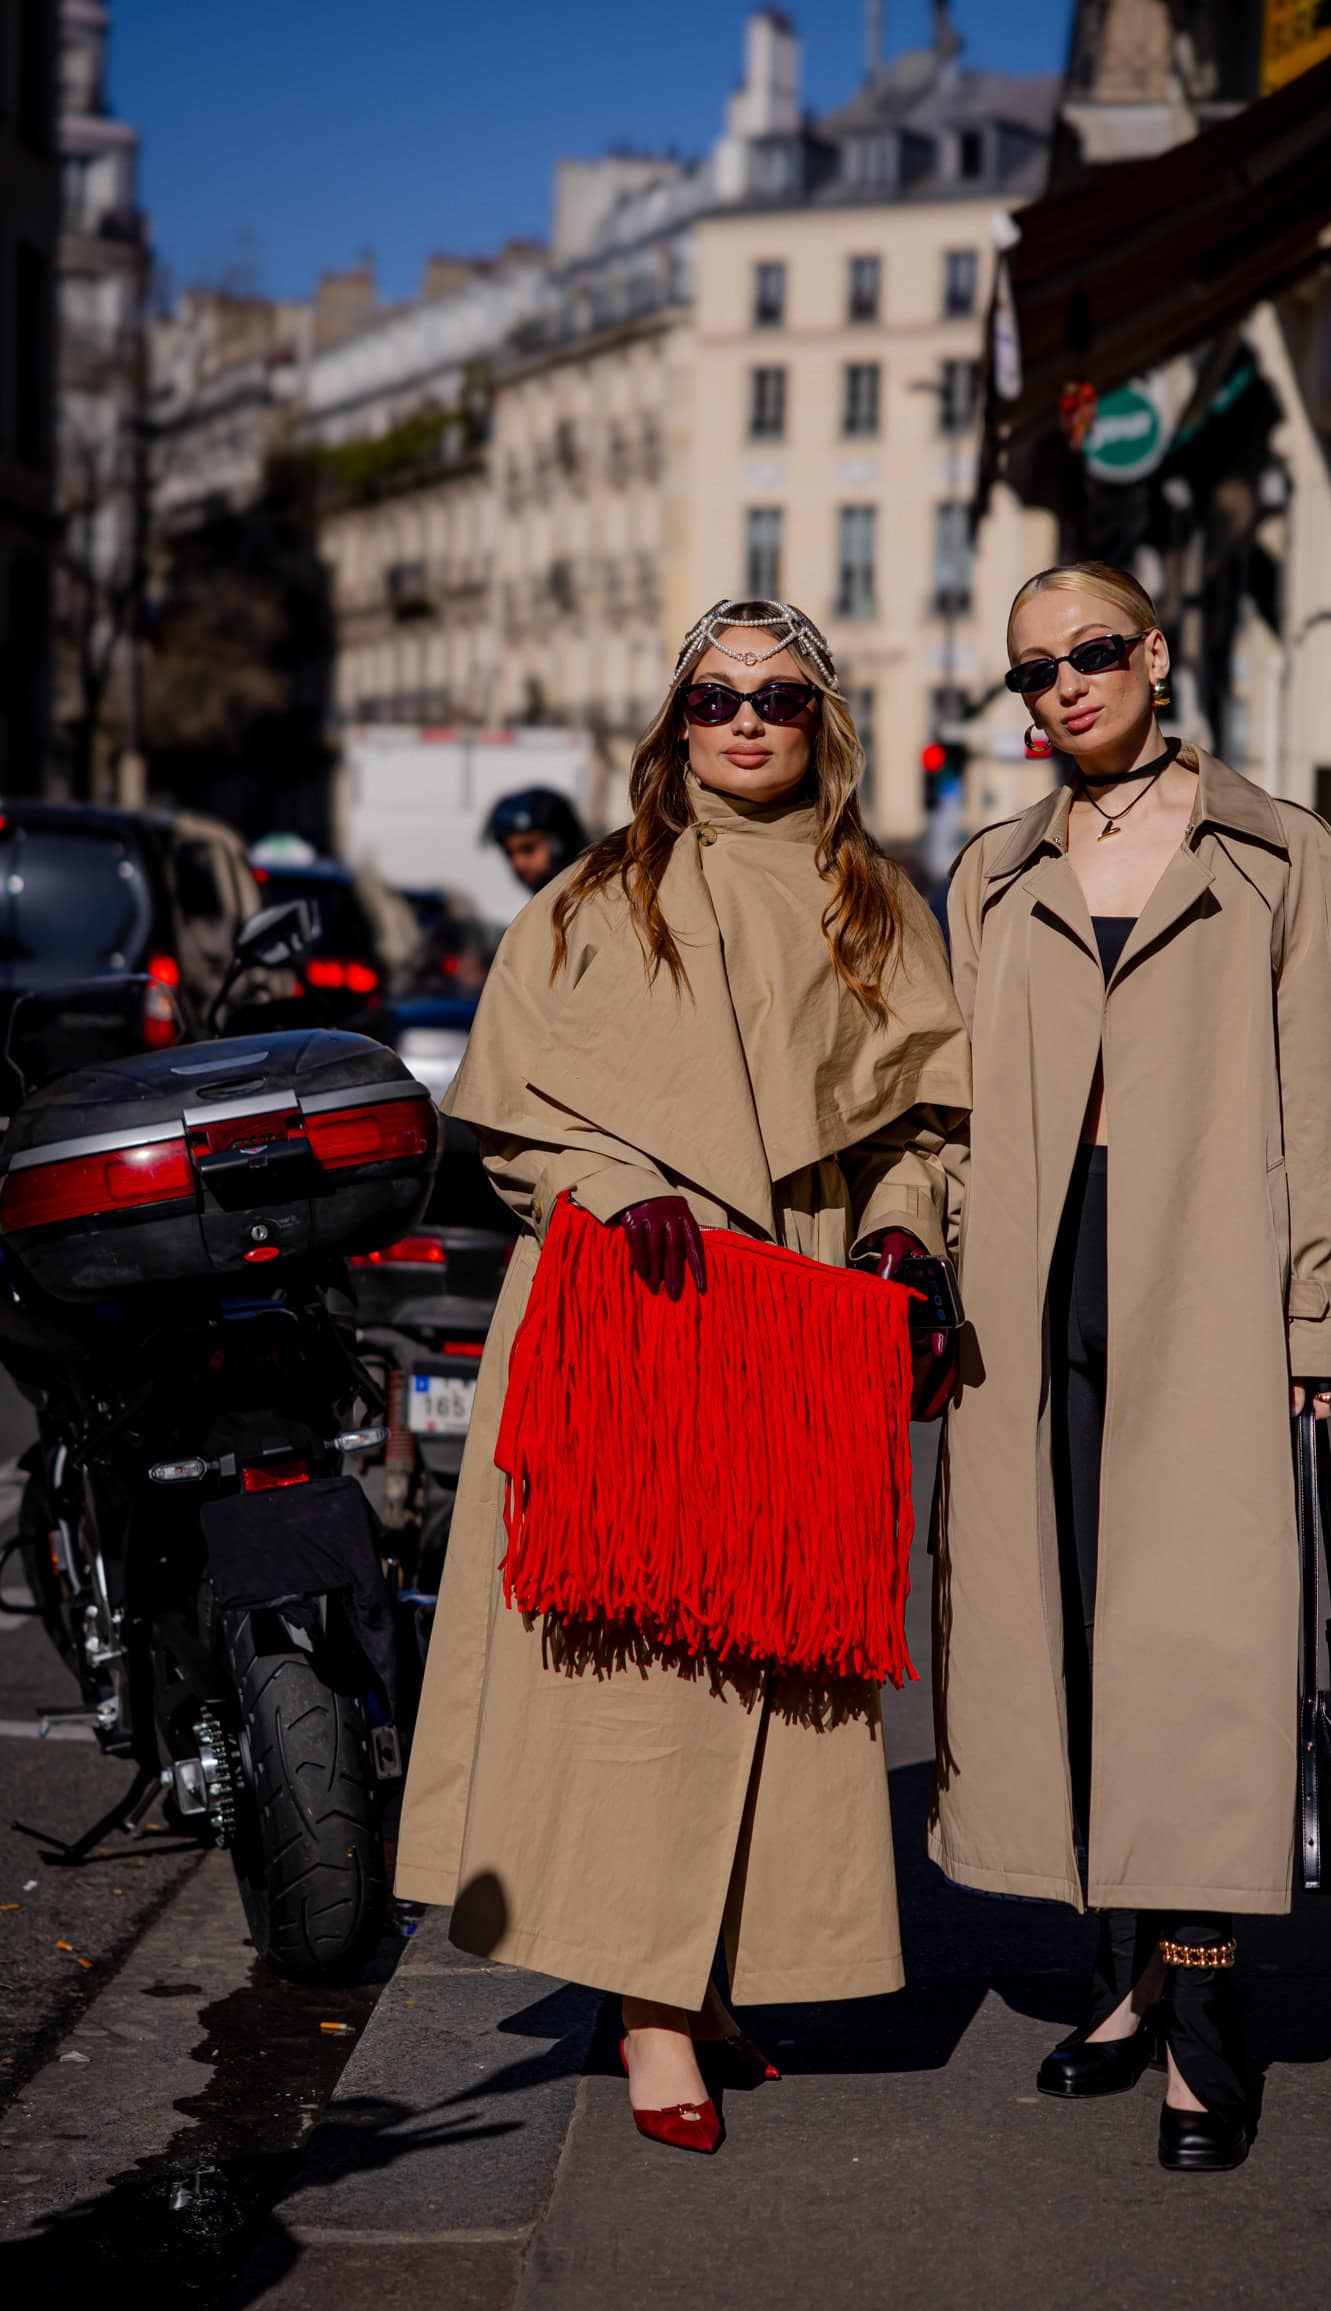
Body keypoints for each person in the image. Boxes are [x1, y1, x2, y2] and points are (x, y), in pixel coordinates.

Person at [397, 598, 971, 2154]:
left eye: (777, 696)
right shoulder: (596, 895)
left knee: (773, 1659)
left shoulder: (875, 901)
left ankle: (711, 1976)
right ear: (674, 722)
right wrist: (602, 1178)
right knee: (637, 1666)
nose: (744, 719)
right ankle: (652, 2007)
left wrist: (905, 1242)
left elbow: (926, 1129)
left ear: (819, 722)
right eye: (715, 696)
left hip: (796, 1309)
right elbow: (512, 1118)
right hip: (633, 1308)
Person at [932, 562, 1331, 2173]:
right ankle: (1110, 1981)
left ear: (1156, 658)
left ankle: (1202, 2022)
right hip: (1031, 1282)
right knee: (1064, 1634)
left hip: (1202, 1273)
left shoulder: (1273, 853)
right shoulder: (986, 871)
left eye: (1092, 653)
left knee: (1196, 1649)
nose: (1065, 687)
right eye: (1034, 670)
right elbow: (953, 1109)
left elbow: (1316, 1106)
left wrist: (1313, 1315)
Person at [483, 784, 589, 894]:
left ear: (560, 844)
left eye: (528, 848)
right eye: (509, 853)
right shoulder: (546, 904)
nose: (518, 863)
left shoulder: (595, 901)